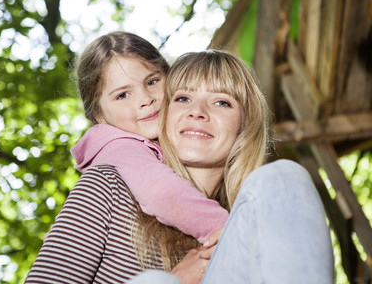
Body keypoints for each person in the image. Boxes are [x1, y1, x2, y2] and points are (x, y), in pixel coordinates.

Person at [24, 32, 222, 284]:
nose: (145, 99)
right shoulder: (116, 155)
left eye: (152, 82)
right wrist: (231, 229)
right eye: (122, 95)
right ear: (99, 115)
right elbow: (162, 192)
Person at [128, 50, 334, 283]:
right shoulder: (112, 186)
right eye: (183, 98)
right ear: (163, 114)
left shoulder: (253, 214)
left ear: (245, 127)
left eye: (222, 102)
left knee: (285, 175)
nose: (197, 112)